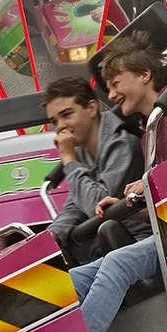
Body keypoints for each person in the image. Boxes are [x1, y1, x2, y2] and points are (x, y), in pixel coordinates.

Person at [70, 34, 167, 332]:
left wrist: (155, 179)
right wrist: (127, 204)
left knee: (118, 263)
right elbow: (163, 200)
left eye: (115, 83)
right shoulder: (147, 136)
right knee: (76, 278)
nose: (111, 94)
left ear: (144, 75)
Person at [42, 75, 145, 263]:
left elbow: (98, 205)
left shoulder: (122, 144)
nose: (60, 127)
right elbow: (75, 206)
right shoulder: (82, 153)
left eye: (66, 115)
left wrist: (68, 159)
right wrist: (52, 237)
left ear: (91, 108)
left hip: (138, 241)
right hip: (108, 249)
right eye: (54, 122)